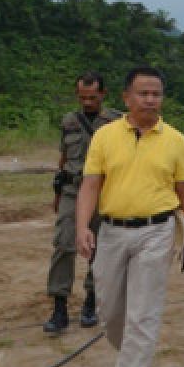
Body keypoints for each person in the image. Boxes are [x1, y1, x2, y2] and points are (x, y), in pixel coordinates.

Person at [76, 66, 184, 367]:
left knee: (143, 312)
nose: (150, 99)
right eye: (143, 93)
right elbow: (90, 186)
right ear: (126, 97)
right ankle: (132, 352)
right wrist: (83, 226)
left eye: (156, 93)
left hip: (156, 232)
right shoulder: (104, 137)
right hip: (112, 231)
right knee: (110, 313)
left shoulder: (175, 140)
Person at [44, 71, 121, 333]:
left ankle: (90, 300)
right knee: (63, 245)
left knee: (97, 248)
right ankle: (59, 306)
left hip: (103, 192)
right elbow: (64, 159)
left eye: (92, 97)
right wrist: (58, 193)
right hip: (72, 191)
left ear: (103, 94)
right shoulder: (69, 121)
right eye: (82, 97)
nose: (87, 102)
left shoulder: (117, 123)